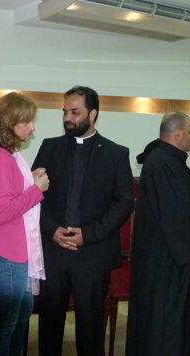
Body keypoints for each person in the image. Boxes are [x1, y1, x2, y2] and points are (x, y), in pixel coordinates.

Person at [32, 86, 134, 356]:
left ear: (93, 113)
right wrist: (52, 230)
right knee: (49, 326)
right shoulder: (50, 147)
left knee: (90, 329)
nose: (67, 117)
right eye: (65, 111)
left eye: (75, 112)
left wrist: (88, 234)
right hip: (54, 251)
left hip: (92, 253)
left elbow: (124, 202)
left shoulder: (115, 154)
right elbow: (34, 195)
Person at [126, 112, 190, 356]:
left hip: (167, 254)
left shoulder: (166, 160)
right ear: (177, 133)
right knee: (166, 321)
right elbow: (175, 213)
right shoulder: (163, 164)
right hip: (166, 260)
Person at [0, 92, 49, 356]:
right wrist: (36, 189)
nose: (32, 127)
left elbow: (9, 191)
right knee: (8, 321)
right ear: (9, 123)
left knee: (21, 314)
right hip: (8, 250)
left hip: (17, 249)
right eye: (27, 121)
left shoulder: (9, 154)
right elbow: (3, 211)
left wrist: (29, 179)